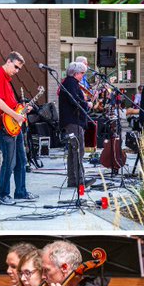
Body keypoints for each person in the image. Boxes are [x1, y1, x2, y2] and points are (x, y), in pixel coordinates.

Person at [0, 52, 37, 205]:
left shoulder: (7, 79)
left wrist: (22, 110)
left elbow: (10, 104)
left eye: (19, 68)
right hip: (4, 126)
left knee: (22, 159)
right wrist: (15, 115)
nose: (16, 71)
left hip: (13, 125)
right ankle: (3, 194)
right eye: (15, 67)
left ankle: (20, 192)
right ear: (8, 61)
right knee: (9, 161)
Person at [59, 61, 91, 190]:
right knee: (78, 150)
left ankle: (73, 180)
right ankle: (80, 180)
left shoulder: (69, 83)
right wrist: (86, 104)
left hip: (71, 121)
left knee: (73, 151)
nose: (83, 76)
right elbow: (74, 101)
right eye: (82, 73)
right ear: (76, 73)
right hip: (73, 121)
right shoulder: (71, 83)